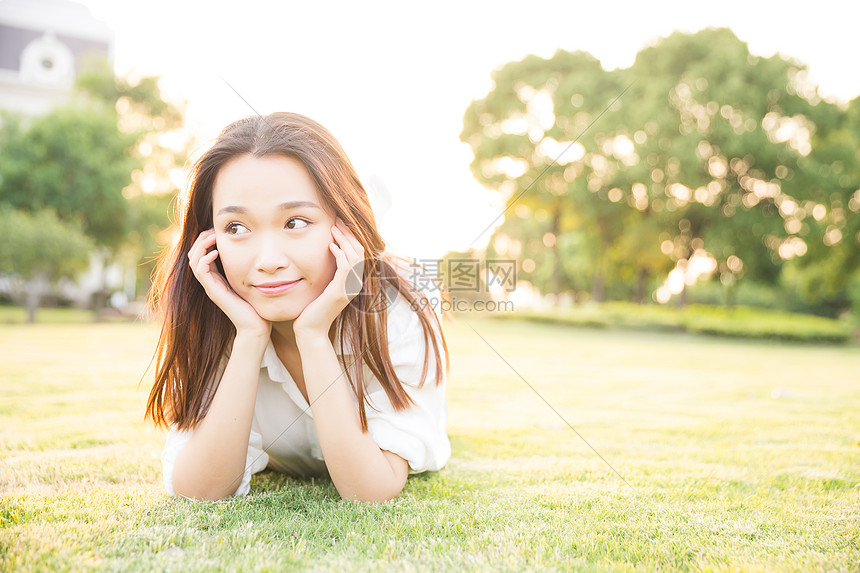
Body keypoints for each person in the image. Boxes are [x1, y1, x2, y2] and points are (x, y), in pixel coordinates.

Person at [144, 112, 451, 503]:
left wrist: (313, 335)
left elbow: (372, 491)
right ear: (210, 241)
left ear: (344, 227)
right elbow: (200, 490)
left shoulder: (400, 309)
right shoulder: (211, 318)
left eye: (295, 222)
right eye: (236, 228)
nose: (268, 259)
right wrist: (249, 335)